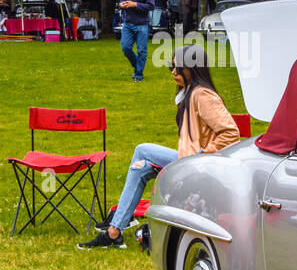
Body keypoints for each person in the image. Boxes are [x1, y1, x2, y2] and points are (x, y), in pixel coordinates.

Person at [79, 46, 240, 250]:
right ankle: (116, 227)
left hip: (197, 165)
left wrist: (201, 155)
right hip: (186, 159)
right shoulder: (189, 93)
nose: (173, 72)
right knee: (141, 160)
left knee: (141, 162)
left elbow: (231, 132)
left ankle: (116, 228)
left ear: (192, 68)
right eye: (171, 66)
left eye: (178, 67)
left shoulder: (203, 96)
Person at [118, 0, 155, 82]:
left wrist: (135, 5)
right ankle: (136, 66)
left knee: (141, 51)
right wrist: (121, 5)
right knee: (126, 48)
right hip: (127, 23)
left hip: (141, 24)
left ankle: (138, 75)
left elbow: (151, 6)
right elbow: (122, 0)